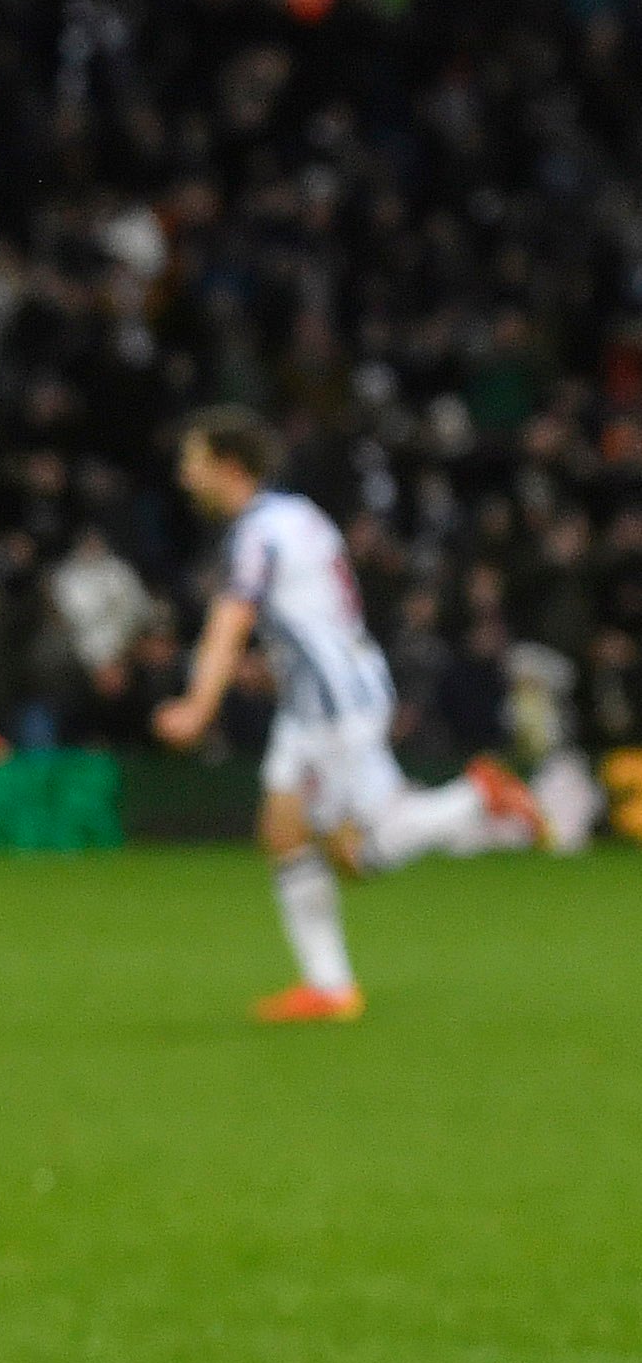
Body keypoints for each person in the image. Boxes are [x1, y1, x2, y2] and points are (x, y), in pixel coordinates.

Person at [149, 408, 553, 1022]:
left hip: (330, 702)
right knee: (282, 831)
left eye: (193, 462)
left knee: (356, 854)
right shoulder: (300, 515)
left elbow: (231, 618)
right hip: (322, 690)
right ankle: (328, 988)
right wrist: (276, 664)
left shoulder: (257, 532)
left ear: (229, 467)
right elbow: (317, 607)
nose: (184, 475)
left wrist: (198, 706)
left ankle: (477, 798)